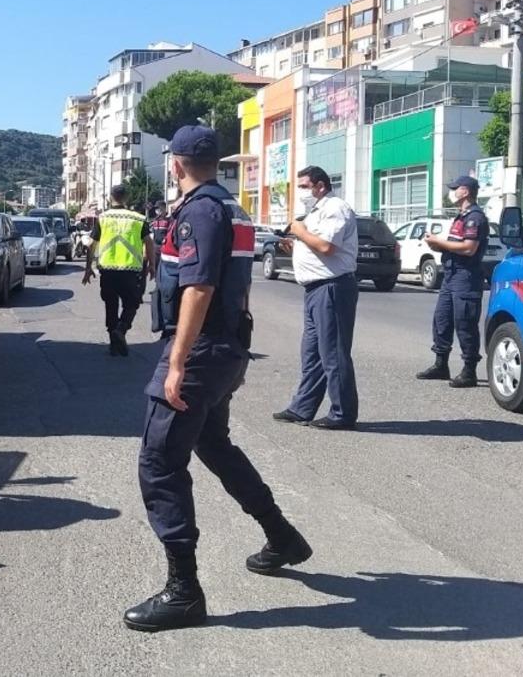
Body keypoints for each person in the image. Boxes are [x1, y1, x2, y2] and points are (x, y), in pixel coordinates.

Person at [125, 125, 311, 633]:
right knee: (216, 446)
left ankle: (183, 591)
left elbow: (199, 287)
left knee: (159, 461)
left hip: (202, 348)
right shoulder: (232, 208)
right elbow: (238, 286)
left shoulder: (200, 211)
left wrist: (180, 362)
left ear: (177, 164)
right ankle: (283, 537)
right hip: (224, 347)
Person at [273, 165, 360, 430]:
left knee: (332, 352)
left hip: (332, 288)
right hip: (314, 290)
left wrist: (299, 232)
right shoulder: (315, 212)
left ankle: (342, 413)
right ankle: (303, 407)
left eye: (303, 186)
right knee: (311, 353)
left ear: (320, 186)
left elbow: (326, 246)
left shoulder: (335, 208)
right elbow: (316, 244)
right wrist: (295, 243)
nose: (300, 192)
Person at [415, 176, 489, 388]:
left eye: (455, 188)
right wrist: (436, 244)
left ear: (465, 191)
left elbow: (469, 248)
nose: (452, 192)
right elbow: (454, 245)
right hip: (450, 274)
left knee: (464, 322)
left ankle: (469, 371)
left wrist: (440, 242)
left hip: (466, 276)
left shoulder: (475, 217)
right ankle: (441, 364)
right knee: (442, 319)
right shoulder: (461, 217)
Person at [83, 184, 156, 356]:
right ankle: (121, 330)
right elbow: (149, 243)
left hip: (107, 269)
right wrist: (152, 264)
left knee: (111, 304)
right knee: (132, 303)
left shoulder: (103, 218)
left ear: (110, 197)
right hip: (131, 270)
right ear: (127, 198)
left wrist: (88, 268)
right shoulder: (138, 219)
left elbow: (91, 245)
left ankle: (113, 341)